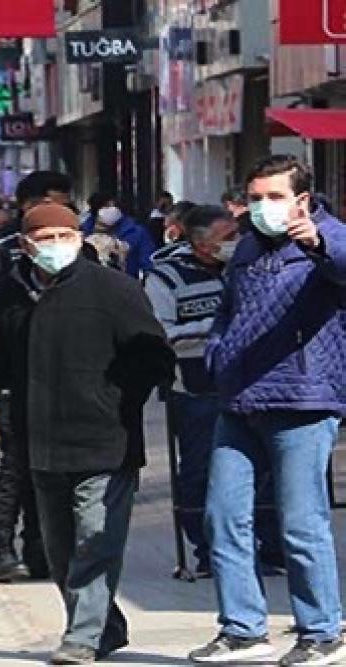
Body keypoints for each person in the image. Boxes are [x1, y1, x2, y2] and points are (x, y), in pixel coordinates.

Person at [0, 203, 174, 665]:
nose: (55, 246)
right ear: (26, 245)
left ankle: (83, 636)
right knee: (60, 548)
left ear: (79, 238)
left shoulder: (112, 289)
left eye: (64, 236)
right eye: (44, 238)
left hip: (105, 440)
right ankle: (104, 626)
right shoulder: (10, 295)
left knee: (96, 537)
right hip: (41, 442)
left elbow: (153, 357)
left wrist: (116, 400)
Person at [189, 156, 346, 666]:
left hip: (302, 399)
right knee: (223, 516)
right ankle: (242, 630)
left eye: (274, 197)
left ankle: (321, 631)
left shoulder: (327, 237)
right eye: (255, 198)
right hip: (240, 398)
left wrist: (318, 245)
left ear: (302, 199)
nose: (262, 207)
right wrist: (218, 353)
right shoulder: (249, 246)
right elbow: (229, 309)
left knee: (301, 522)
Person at [144, 206, 283, 580]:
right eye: (228, 237)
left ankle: (268, 545)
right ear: (202, 244)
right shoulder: (166, 276)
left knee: (265, 467)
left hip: (255, 385)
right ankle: (207, 548)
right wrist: (223, 326)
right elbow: (161, 333)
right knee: (201, 470)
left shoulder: (251, 266)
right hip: (196, 389)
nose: (237, 242)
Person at [0, 170, 73, 584]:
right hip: (16, 373)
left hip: (66, 376)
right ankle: (2, 548)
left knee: (55, 469)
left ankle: (41, 549)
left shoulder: (77, 249)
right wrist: (24, 311)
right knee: (16, 466)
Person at [81, 193, 155, 276]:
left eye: (112, 205)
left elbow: (148, 262)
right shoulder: (84, 231)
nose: (111, 209)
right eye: (107, 206)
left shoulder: (136, 231)